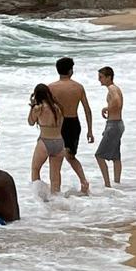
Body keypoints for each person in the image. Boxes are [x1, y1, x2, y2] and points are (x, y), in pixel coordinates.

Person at [47, 57, 93, 196]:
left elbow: (46, 109)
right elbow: (87, 110)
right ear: (70, 70)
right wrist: (90, 131)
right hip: (73, 123)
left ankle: (55, 192)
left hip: (58, 125)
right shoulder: (78, 87)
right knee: (71, 156)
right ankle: (84, 182)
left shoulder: (51, 88)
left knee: (55, 160)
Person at [27, 83, 66, 197]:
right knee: (55, 174)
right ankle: (56, 198)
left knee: (35, 169)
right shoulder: (58, 107)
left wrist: (32, 106)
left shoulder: (38, 108)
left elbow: (30, 122)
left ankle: (38, 196)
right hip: (59, 141)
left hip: (45, 141)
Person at [94, 65, 125, 189]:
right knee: (116, 157)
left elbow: (117, 102)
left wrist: (106, 108)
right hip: (118, 124)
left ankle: (107, 185)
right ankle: (117, 183)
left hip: (113, 125)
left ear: (109, 77)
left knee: (99, 155)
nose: (99, 79)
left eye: (101, 77)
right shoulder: (115, 88)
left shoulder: (112, 88)